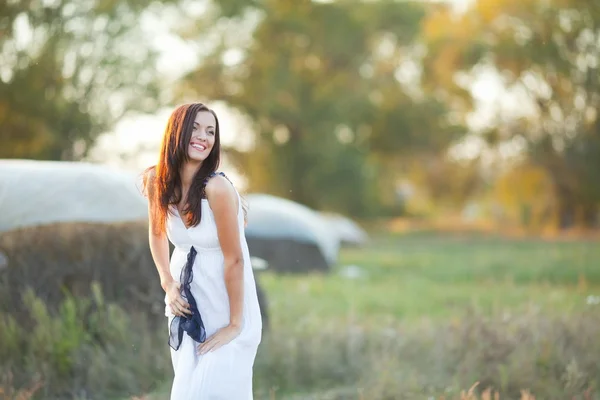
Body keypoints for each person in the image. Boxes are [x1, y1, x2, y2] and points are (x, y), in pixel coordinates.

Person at [142, 102, 262, 399]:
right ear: (176, 133)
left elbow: (234, 259)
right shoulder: (157, 181)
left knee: (212, 389)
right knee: (187, 391)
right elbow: (157, 233)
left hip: (226, 304)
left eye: (210, 131)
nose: (203, 137)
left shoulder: (217, 189)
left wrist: (235, 325)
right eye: (195, 128)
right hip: (184, 303)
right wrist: (168, 284)